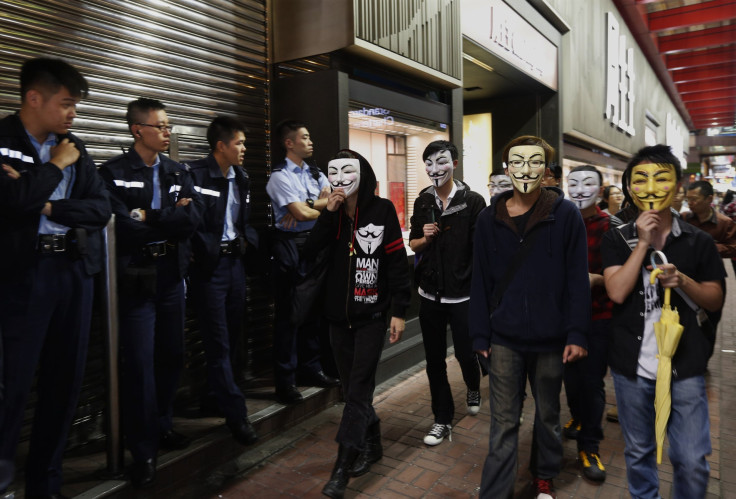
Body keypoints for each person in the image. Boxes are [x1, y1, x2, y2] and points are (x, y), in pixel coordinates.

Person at [0, 57, 111, 498]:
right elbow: (9, 203)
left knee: (65, 382)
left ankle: (46, 484)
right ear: (34, 97)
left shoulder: (73, 146)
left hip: (72, 274)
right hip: (23, 278)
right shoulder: (4, 140)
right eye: (66, 104)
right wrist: (55, 168)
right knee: (12, 386)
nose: (73, 114)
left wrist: (46, 204)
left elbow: (100, 209)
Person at [469, 135, 590, 499]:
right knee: (503, 421)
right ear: (507, 168)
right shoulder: (488, 218)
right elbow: (480, 281)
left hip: (552, 338)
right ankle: (495, 492)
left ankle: (545, 474)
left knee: (549, 414)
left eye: (535, 162)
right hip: (503, 337)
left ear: (547, 170)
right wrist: (479, 336)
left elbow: (577, 279)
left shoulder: (565, 215)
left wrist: (576, 332)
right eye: (517, 162)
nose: (526, 169)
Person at [601, 144, 725, 499]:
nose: (651, 188)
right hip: (631, 367)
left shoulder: (698, 241)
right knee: (639, 453)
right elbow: (617, 292)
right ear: (629, 188)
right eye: (640, 180)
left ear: (678, 185)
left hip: (684, 367)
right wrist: (641, 244)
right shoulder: (616, 238)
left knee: (690, 459)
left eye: (661, 178)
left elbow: (715, 298)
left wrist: (682, 280)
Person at [99, 98, 203, 488]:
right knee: (140, 363)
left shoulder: (178, 170)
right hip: (136, 276)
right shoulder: (112, 173)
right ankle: (142, 451)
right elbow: (121, 228)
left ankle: (161, 426)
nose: (167, 132)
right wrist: (167, 219)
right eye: (159, 126)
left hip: (171, 274)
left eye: (168, 125)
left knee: (172, 355)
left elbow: (191, 221)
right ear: (136, 130)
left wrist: (148, 217)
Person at [302, 149, 411, 499]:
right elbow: (309, 253)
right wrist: (327, 214)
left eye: (348, 171)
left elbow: (396, 263)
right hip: (336, 319)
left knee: (358, 391)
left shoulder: (381, 210)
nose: (340, 179)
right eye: (334, 172)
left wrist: (398, 310)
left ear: (362, 174)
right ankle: (373, 443)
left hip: (372, 317)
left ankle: (341, 469)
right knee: (353, 392)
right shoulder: (331, 215)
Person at [187, 116, 259, 446]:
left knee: (234, 337)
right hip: (210, 270)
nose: (244, 149)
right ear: (221, 146)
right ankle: (236, 415)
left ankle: (213, 397)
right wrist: (204, 252)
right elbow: (191, 224)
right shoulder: (196, 175)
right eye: (239, 144)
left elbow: (244, 220)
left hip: (235, 265)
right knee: (218, 341)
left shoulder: (242, 176)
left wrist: (248, 242)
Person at [409, 140, 486, 446]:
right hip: (429, 296)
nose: (434, 168)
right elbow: (413, 244)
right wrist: (424, 238)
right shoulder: (422, 201)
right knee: (434, 360)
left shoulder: (473, 202)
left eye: (440, 161)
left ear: (454, 163)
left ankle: (473, 385)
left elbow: (481, 252)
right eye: (428, 163)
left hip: (463, 296)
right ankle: (442, 418)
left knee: (466, 354)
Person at [265, 120, 338, 405]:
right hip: (291, 248)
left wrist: (310, 205)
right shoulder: (279, 177)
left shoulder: (316, 172)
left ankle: (311, 369)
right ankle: (285, 382)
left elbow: (335, 202)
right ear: (289, 143)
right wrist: (317, 205)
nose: (310, 142)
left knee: (314, 313)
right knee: (290, 316)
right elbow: (301, 214)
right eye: (304, 138)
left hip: (317, 245)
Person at [562, 165, 613, 482]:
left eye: (588, 183)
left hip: (598, 317)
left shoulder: (612, 228)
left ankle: (589, 446)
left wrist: (592, 279)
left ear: (601, 188)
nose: (580, 190)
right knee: (570, 379)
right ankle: (578, 418)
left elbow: (619, 278)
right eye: (574, 184)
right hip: (563, 319)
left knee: (592, 383)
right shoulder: (560, 221)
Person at [682, 180, 736, 263]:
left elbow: (733, 248)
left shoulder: (725, 223)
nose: (689, 203)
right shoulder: (684, 218)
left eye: (694, 199)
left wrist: (708, 247)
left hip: (713, 268)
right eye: (687, 199)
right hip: (687, 267)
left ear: (709, 199)